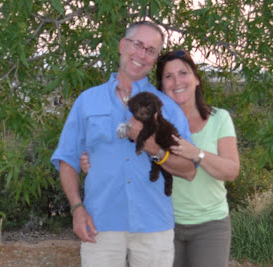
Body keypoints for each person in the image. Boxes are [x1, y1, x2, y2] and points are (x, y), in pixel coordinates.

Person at [50, 21, 196, 267]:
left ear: (154, 58)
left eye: (151, 50)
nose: (142, 54)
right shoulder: (87, 101)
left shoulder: (167, 106)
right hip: (99, 223)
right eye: (137, 44)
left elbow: (190, 170)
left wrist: (154, 149)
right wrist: (77, 208)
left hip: (153, 226)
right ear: (122, 45)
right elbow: (67, 159)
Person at [81, 50, 240, 267]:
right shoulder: (147, 121)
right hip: (162, 224)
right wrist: (90, 161)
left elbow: (231, 171)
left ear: (197, 79)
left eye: (183, 73)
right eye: (168, 76)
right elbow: (115, 148)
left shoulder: (219, 118)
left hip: (209, 225)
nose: (176, 82)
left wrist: (196, 154)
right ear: (161, 86)